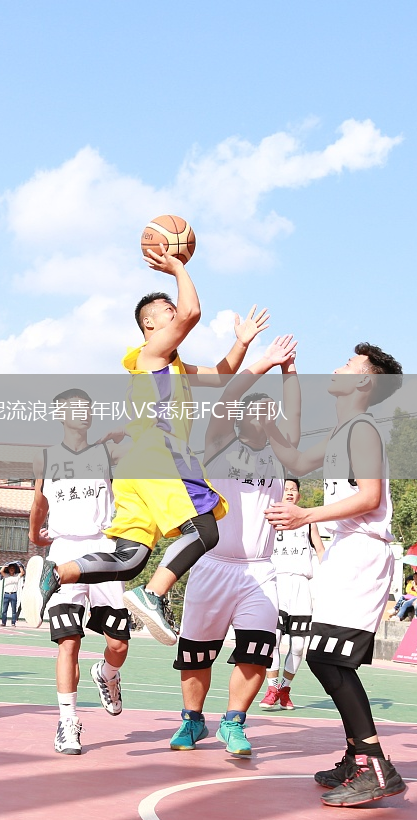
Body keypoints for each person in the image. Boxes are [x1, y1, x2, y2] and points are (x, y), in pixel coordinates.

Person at [22, 246, 267, 643]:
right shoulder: (151, 354)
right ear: (149, 323)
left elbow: (221, 376)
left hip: (137, 468)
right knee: (205, 530)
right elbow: (192, 312)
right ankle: (153, 595)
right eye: (168, 310)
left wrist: (242, 343)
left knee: (130, 558)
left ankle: (56, 573)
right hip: (161, 456)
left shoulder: (172, 365)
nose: (177, 312)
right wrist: (178, 267)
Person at [264, 342, 407, 807]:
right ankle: (355, 756)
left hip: (362, 551)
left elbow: (369, 497)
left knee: (328, 658)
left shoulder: (362, 430)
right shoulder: (344, 431)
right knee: (324, 656)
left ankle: (374, 766)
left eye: (347, 364)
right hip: (346, 551)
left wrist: (306, 516)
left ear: (363, 380)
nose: (337, 367)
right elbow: (296, 461)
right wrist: (282, 383)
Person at [168, 336, 301, 756]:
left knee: (257, 650)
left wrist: (289, 371)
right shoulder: (220, 444)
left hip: (259, 569)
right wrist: (264, 362)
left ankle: (234, 722)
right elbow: (227, 396)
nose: (265, 414)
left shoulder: (282, 454)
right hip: (213, 562)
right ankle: (192, 721)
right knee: (196, 653)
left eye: (270, 410)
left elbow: (295, 412)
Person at [28, 387, 132, 755]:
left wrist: (125, 429)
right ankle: (68, 722)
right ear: (59, 414)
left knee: (118, 643)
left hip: (104, 550)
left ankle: (107, 673)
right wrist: (34, 535)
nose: (83, 413)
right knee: (68, 641)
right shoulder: (45, 458)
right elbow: (39, 502)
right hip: (63, 551)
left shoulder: (108, 453)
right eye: (74, 408)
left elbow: (148, 441)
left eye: (87, 408)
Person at [261, 477, 325, 712]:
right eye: (286, 489)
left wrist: (330, 576)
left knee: (298, 645)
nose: (289, 492)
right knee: (274, 640)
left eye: (293, 490)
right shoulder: (269, 518)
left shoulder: (308, 522)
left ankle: (285, 689)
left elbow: (320, 550)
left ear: (298, 496)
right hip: (276, 583)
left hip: (301, 585)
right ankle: (271, 689)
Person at [0, 562, 22, 626]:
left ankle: (13, 623)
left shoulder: (17, 575)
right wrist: (5, 566)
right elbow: (1, 571)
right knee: (4, 610)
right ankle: (3, 622)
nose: (11, 570)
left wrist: (19, 566)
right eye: (10, 568)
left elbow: (22, 572)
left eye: (13, 568)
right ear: (8, 569)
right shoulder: (6, 575)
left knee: (14, 610)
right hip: (6, 594)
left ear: (15, 569)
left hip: (13, 594)